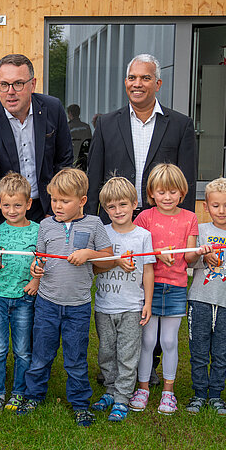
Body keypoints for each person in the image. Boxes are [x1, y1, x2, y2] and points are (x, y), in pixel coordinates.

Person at [19, 167, 113, 426]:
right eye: (54, 200)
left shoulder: (94, 224)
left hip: (77, 307)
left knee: (75, 359)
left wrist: (89, 254)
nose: (57, 206)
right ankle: (33, 396)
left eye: (64, 201)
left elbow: (109, 257)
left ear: (82, 201)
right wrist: (36, 271)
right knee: (41, 355)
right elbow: (40, 258)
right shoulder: (46, 225)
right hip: (47, 304)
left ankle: (80, 404)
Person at [0, 54, 73, 242]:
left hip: (48, 207)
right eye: (4, 85)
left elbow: (63, 163)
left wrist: (55, 210)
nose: (10, 92)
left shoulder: (53, 109)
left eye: (18, 84)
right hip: (8, 213)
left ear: (32, 84)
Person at [83, 54, 198, 216]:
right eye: (132, 78)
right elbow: (94, 178)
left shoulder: (180, 125)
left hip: (162, 220)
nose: (137, 84)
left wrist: (185, 222)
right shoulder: (106, 124)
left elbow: (187, 182)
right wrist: (90, 221)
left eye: (145, 78)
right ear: (126, 82)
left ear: (158, 84)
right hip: (115, 219)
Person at [129, 164, 198, 415]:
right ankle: (143, 388)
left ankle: (169, 392)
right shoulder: (145, 218)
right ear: (151, 193)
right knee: (148, 340)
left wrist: (198, 252)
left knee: (168, 341)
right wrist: (157, 253)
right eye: (161, 192)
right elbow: (135, 249)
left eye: (172, 192)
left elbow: (190, 258)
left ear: (182, 192)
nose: (167, 197)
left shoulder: (190, 218)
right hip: (149, 287)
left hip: (176, 286)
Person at [90, 176, 154, 423]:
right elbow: (94, 268)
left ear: (135, 204)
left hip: (131, 306)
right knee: (107, 352)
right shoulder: (102, 234)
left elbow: (148, 271)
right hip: (104, 305)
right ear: (105, 209)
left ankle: (122, 397)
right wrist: (114, 262)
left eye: (123, 205)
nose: (118, 211)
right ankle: (110, 390)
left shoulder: (143, 236)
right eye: (111, 206)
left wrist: (147, 303)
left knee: (127, 354)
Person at [186, 177, 226, 416]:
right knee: (199, 351)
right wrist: (202, 257)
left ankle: (215, 395)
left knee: (221, 352)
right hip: (200, 299)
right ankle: (198, 394)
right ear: (206, 206)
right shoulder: (201, 231)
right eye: (215, 205)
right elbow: (190, 263)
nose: (221, 211)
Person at [0, 172, 40, 416]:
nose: (12, 210)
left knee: (23, 350)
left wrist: (36, 279)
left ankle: (18, 391)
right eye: (6, 205)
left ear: (28, 203)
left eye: (17, 205)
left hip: (24, 299)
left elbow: (43, 262)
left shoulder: (38, 231)